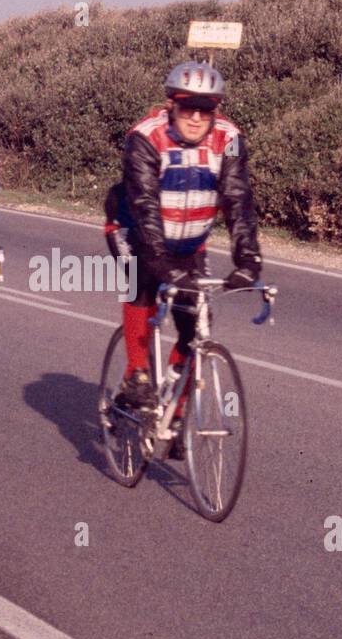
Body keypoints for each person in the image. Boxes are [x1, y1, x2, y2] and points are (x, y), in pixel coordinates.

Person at [113, 61, 264, 456]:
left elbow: (237, 199)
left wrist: (248, 259)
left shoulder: (229, 138)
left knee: (195, 323)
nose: (196, 118)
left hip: (190, 240)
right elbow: (144, 206)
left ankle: (176, 412)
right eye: (187, 108)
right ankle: (137, 375)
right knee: (141, 283)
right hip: (136, 230)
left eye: (206, 109)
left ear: (216, 110)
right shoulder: (145, 138)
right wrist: (161, 265)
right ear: (170, 106)